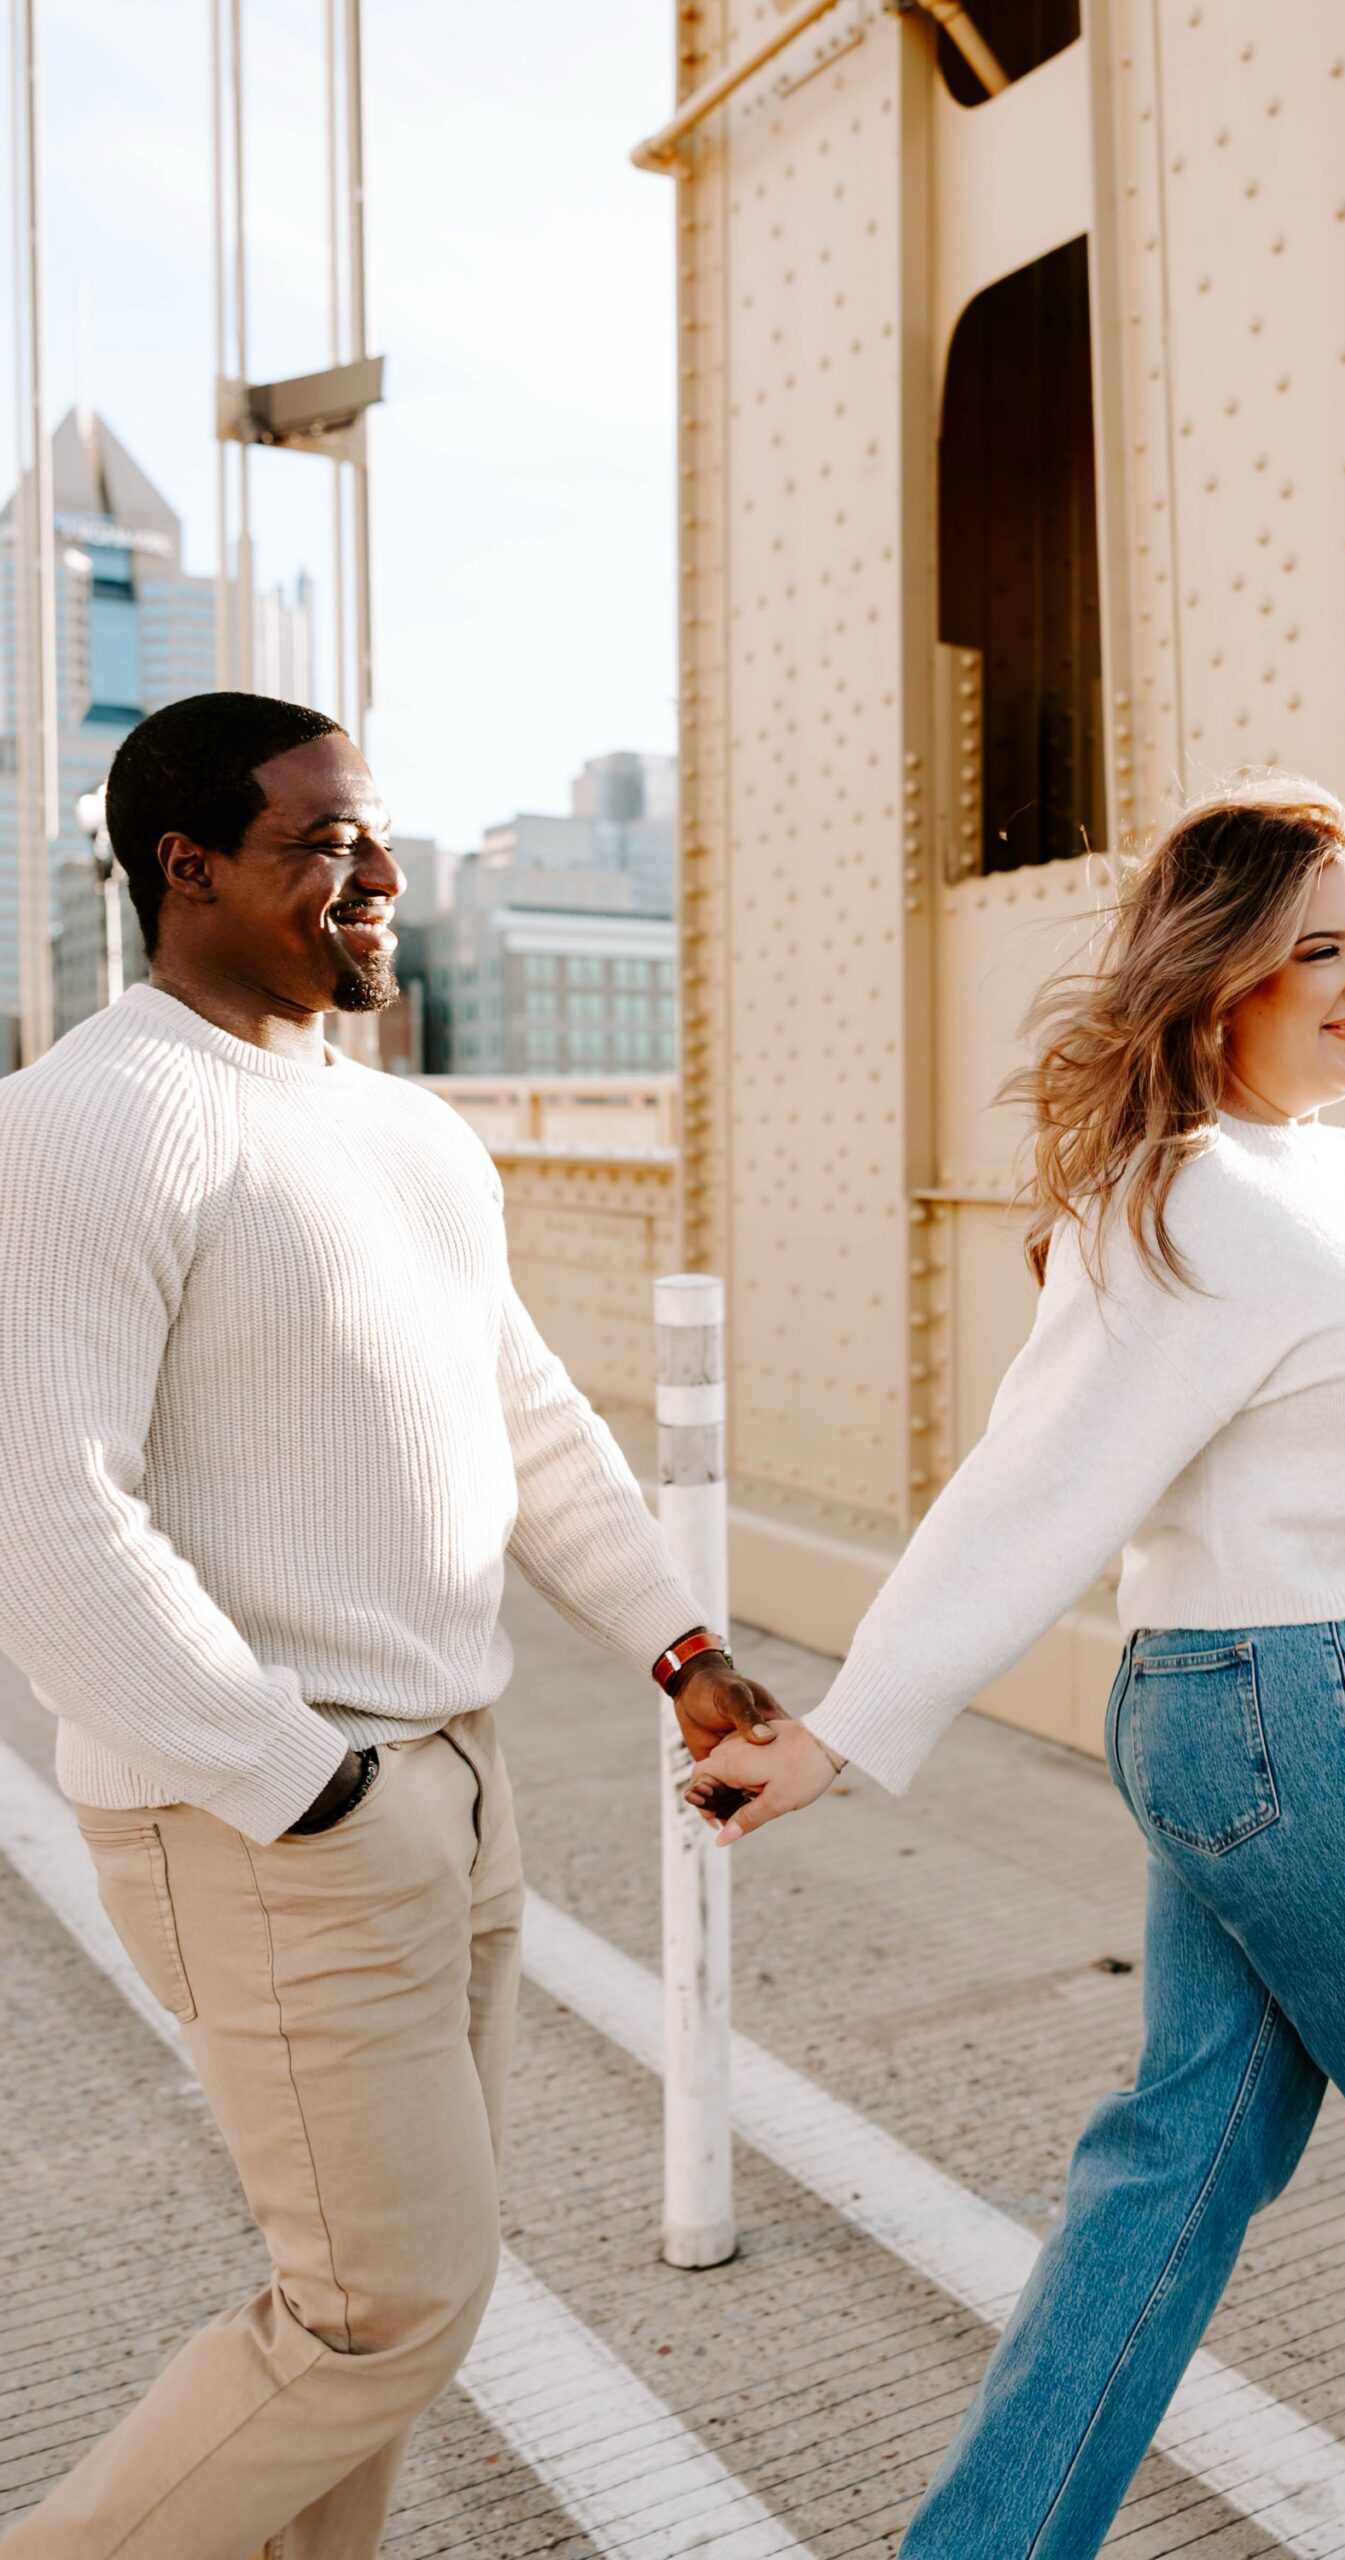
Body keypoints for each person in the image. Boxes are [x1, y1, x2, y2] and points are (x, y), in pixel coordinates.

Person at [689, 779, 1345, 2558]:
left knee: (1178, 2165)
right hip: (1322, 1725)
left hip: (1276, 1726)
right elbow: (1030, 1490)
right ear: (1217, 979)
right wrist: (842, 1731)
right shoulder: (1196, 1201)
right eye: (1317, 951)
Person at [0, 692, 778, 2560]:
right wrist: (300, 1782)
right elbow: (46, 1514)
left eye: (374, 840)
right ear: (184, 867)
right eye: (322, 844)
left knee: (382, 2316)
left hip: (456, 1785)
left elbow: (531, 1425)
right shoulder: (86, 1126)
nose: (377, 881)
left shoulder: (409, 1138)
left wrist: (683, 1650)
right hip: (271, 1811)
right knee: (383, 2307)